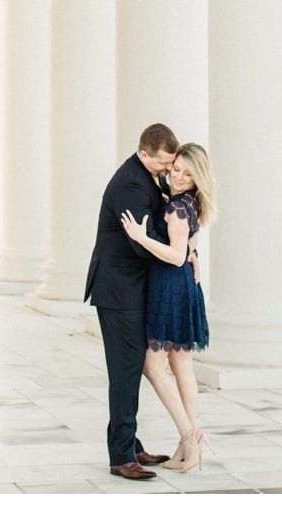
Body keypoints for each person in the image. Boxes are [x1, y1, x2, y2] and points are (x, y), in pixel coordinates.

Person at [84, 123, 180, 480]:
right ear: (144, 154)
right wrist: (177, 252)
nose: (168, 170)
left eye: (171, 164)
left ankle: (130, 444)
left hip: (128, 287)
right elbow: (142, 242)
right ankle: (121, 457)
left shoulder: (146, 176)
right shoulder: (131, 184)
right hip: (118, 289)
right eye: (163, 163)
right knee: (124, 371)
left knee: (129, 367)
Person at [121, 142, 218, 473]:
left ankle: (190, 435)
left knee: (152, 365)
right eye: (176, 168)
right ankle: (188, 448)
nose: (177, 176)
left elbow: (176, 256)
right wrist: (192, 254)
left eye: (187, 174)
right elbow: (188, 248)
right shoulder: (189, 203)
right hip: (182, 287)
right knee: (182, 366)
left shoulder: (176, 208)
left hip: (170, 290)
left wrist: (141, 236)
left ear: (197, 178)